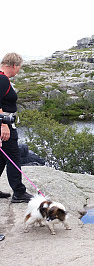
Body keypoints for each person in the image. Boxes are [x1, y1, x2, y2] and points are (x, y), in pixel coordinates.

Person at [0, 52, 32, 203]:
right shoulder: (2, 79)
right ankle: (19, 192)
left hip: (4, 123)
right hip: (5, 125)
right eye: (19, 67)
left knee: (1, 158)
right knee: (13, 156)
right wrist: (3, 125)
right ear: (13, 65)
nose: (18, 71)